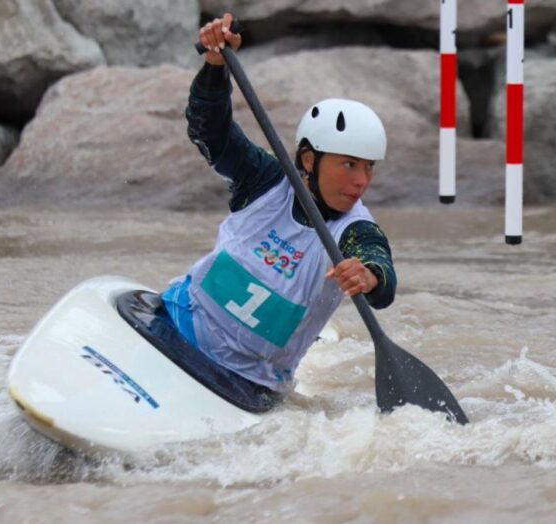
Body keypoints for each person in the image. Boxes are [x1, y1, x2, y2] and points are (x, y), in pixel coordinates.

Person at [160, 13, 396, 410]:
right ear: (308, 159)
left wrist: (370, 275)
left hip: (247, 384)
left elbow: (379, 267)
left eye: (369, 167)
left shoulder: (355, 230)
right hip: (177, 325)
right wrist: (215, 68)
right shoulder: (265, 179)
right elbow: (210, 130)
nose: (361, 181)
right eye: (349, 165)